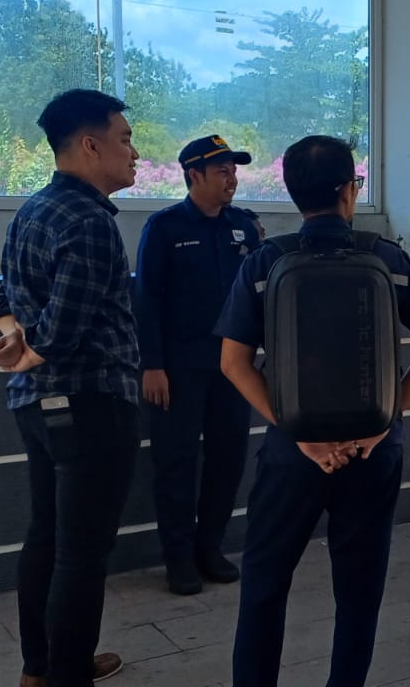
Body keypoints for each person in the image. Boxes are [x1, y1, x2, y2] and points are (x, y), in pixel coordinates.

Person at [216, 135, 410, 687]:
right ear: (350, 190)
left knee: (264, 586)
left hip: (293, 452)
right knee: (358, 592)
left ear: (293, 193)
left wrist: (298, 432)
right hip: (374, 452)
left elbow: (233, 363)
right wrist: (383, 421)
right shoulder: (388, 259)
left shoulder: (265, 262)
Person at [0, 88, 141, 687]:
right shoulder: (90, 222)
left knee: (47, 538)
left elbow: (2, 297)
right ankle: (67, 674)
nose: (133, 152)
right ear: (90, 145)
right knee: (82, 552)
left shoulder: (33, 210)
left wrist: (15, 341)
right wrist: (29, 351)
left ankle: (41, 669)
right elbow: (65, 329)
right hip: (92, 404)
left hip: (38, 409)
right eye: (125, 139)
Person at [134, 135, 262, 595]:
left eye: (234, 170)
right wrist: (152, 365)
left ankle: (210, 547)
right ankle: (178, 557)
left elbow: (257, 294)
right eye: (222, 170)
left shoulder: (244, 227)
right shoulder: (165, 227)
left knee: (228, 458)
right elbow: (147, 300)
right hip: (177, 369)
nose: (232, 178)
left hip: (232, 367)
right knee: (177, 462)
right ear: (194, 175)